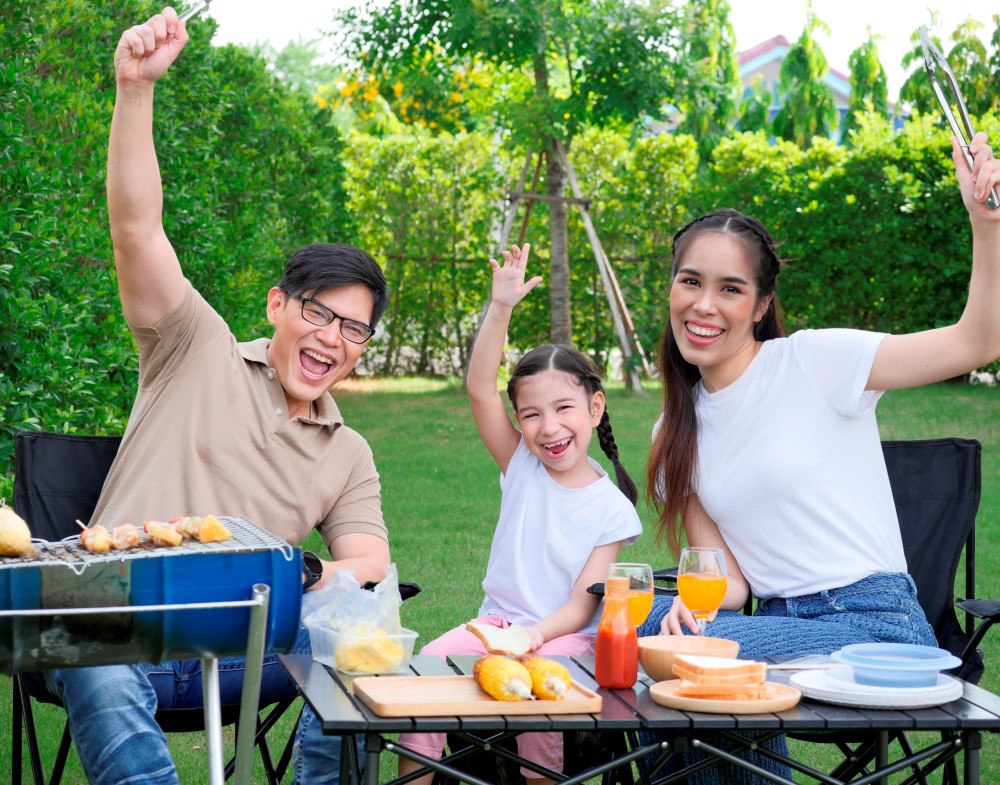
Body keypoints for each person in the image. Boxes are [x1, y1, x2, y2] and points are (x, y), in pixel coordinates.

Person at [40, 8, 391, 785]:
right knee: (94, 656)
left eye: (354, 329)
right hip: (119, 632)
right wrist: (135, 90)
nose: (331, 338)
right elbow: (138, 229)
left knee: (361, 654)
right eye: (318, 311)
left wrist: (308, 575)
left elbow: (369, 561)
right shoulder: (192, 345)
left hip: (246, 653)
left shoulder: (347, 450)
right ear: (277, 305)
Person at [638, 132, 1000, 784]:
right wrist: (689, 609)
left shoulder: (816, 362)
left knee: (690, 664)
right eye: (690, 281)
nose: (703, 305)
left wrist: (986, 223)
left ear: (760, 305)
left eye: (730, 289)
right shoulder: (677, 426)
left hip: (877, 628)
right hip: (779, 627)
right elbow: (729, 583)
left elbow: (977, 341)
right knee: (628, 625)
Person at [396, 244, 644, 785]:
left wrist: (531, 640)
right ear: (519, 421)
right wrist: (500, 306)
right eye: (531, 415)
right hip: (497, 625)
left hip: (564, 638)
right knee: (425, 674)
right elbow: (479, 387)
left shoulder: (612, 508)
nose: (549, 429)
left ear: (594, 408)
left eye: (563, 410)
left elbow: (583, 607)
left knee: (542, 680)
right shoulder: (522, 464)